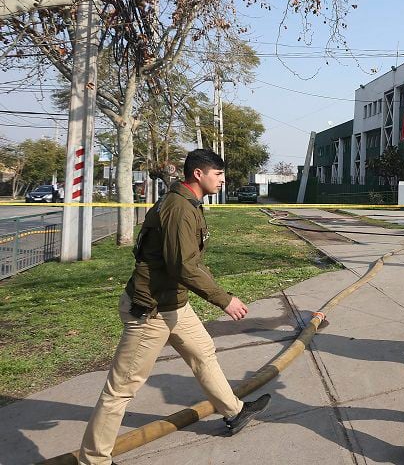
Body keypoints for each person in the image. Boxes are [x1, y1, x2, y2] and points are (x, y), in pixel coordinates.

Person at [78, 149, 271, 465]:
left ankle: (234, 412)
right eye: (218, 175)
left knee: (203, 352)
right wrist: (225, 299)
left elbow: (188, 262)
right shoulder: (180, 208)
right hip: (151, 309)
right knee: (120, 390)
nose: (222, 181)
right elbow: (184, 266)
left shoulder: (186, 203)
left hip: (172, 304)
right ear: (199, 174)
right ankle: (94, 459)